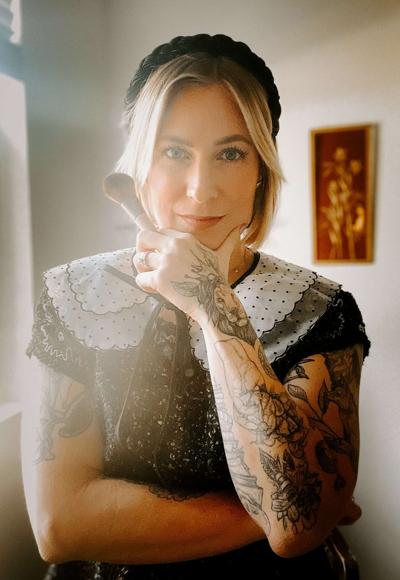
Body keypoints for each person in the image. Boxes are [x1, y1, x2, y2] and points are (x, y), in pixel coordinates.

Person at [21, 33, 370, 580]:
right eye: (175, 152)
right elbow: (60, 527)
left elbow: (296, 532)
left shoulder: (320, 310)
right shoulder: (73, 296)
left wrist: (212, 300)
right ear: (139, 164)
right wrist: (279, 513)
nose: (201, 189)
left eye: (231, 153)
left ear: (261, 168)